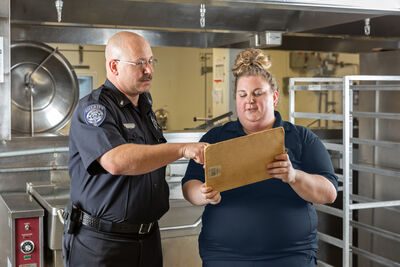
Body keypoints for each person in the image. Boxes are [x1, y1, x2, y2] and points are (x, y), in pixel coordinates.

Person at [182, 48, 338, 267]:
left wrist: (294, 176)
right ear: (236, 99)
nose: (250, 101)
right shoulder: (216, 138)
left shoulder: (301, 138)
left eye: (258, 93)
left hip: (290, 257)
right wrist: (202, 193)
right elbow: (189, 185)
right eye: (243, 95)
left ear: (274, 97)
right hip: (225, 257)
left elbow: (329, 193)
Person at [63, 31, 207, 267]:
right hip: (103, 244)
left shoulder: (144, 105)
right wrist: (182, 149)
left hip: (147, 239)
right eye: (139, 63)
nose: (149, 70)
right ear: (114, 66)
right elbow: (117, 161)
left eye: (150, 61)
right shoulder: (95, 108)